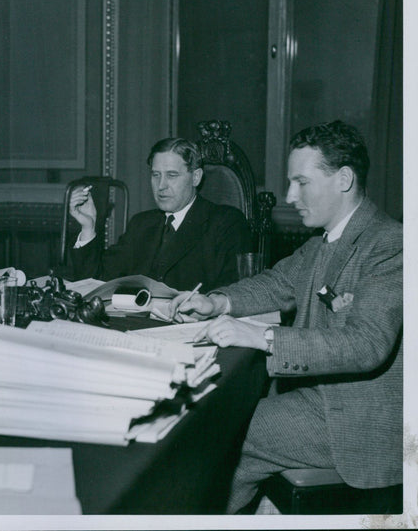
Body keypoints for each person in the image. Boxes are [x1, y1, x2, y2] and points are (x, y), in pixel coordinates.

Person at [171, 121, 402, 513]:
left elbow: (367, 346)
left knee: (222, 431)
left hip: (359, 422)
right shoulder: (322, 242)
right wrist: (217, 302)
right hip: (318, 401)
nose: (290, 195)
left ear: (343, 179)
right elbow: (275, 283)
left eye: (301, 182)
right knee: (219, 427)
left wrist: (261, 337)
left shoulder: (389, 243)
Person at [67, 137, 252, 292]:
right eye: (156, 175)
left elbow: (232, 293)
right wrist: (88, 227)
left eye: (171, 175)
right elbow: (96, 283)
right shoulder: (141, 224)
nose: (161, 186)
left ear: (195, 177)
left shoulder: (225, 223)